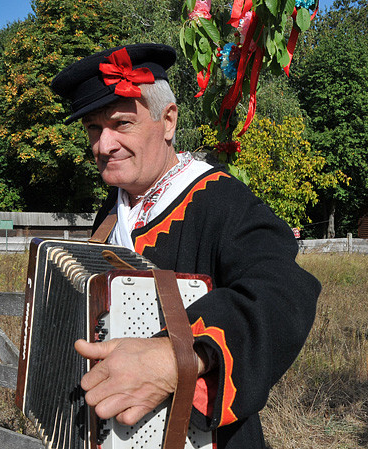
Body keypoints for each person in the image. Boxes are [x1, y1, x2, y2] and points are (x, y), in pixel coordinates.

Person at [50, 43, 320, 448]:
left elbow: (284, 293)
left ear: (168, 120)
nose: (103, 145)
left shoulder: (221, 200)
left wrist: (177, 359)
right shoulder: (113, 210)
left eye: (121, 124)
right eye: (93, 127)